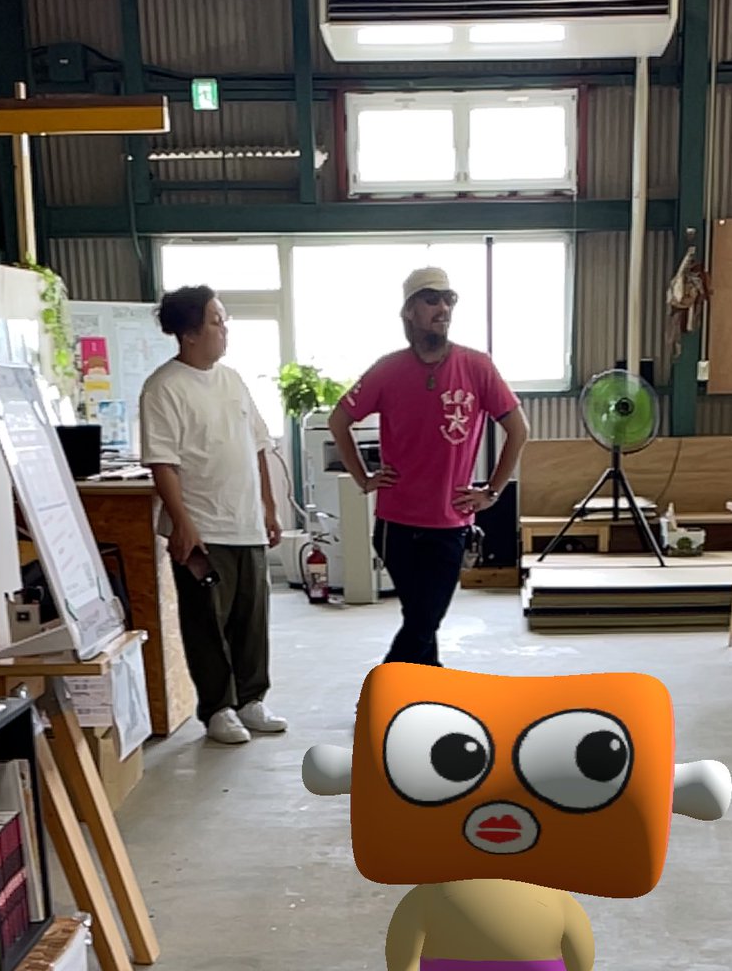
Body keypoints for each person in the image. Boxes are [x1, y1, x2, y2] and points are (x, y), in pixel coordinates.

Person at [328, 265, 529, 666]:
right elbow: (338, 421)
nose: (443, 308)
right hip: (397, 526)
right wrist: (364, 478)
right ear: (409, 310)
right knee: (421, 620)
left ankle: (387, 688)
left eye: (449, 299)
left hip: (449, 524)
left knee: (422, 621)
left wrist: (491, 491)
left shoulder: (477, 366)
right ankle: (424, 685)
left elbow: (518, 430)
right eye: (432, 299)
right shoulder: (388, 369)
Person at [140, 285, 287, 745]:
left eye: (224, 320)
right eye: (216, 321)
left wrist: (269, 506)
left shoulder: (233, 380)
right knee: (206, 622)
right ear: (189, 333)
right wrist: (183, 523)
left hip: (245, 523)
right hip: (202, 528)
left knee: (252, 618)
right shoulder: (163, 387)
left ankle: (251, 699)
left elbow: (258, 447)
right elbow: (162, 462)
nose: (225, 329)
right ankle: (219, 708)